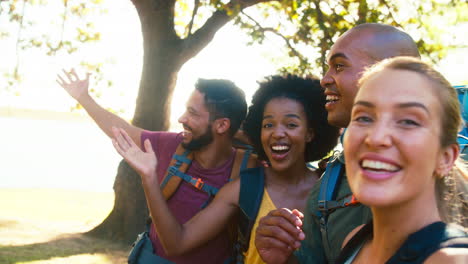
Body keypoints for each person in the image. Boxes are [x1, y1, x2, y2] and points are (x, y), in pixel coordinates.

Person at [110, 75, 340, 263]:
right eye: (268, 124)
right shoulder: (244, 188)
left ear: (310, 133)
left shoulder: (332, 190)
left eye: (291, 124)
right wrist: (149, 178)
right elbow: (177, 243)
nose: (277, 133)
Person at [254, 23, 422, 264]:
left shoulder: (446, 169)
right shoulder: (327, 187)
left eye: (340, 66)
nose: (324, 79)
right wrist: (286, 257)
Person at [56, 70, 249, 264]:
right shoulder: (173, 145)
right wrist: (84, 98)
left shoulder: (248, 168)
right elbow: (124, 132)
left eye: (192, 113)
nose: (182, 119)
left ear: (222, 125)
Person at [336, 56, 468, 263]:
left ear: (445, 158)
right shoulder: (354, 241)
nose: (376, 137)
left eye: (408, 121)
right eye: (363, 117)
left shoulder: (453, 259)